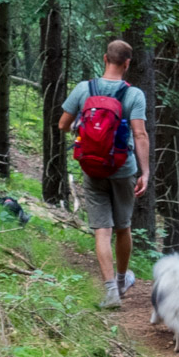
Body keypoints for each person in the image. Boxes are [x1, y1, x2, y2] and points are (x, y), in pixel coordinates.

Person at [57, 39, 149, 308]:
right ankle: (122, 281)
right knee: (123, 227)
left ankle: (110, 292)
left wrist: (81, 126)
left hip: (92, 167)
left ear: (105, 59)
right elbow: (140, 134)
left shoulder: (84, 89)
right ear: (127, 63)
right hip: (123, 169)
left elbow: (63, 124)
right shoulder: (133, 95)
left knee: (102, 230)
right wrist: (145, 172)